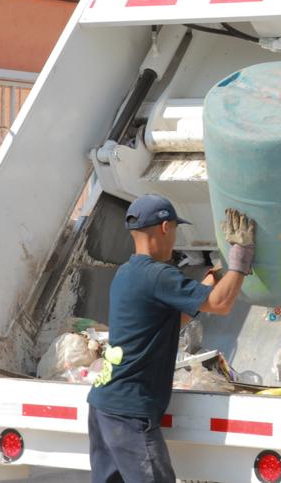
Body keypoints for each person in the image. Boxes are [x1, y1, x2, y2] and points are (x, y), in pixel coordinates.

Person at [86, 194, 254, 483]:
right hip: (129, 413)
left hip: (103, 405)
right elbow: (222, 304)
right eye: (175, 229)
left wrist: (201, 292)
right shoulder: (158, 275)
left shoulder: (127, 274)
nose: (175, 236)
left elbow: (165, 322)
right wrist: (241, 258)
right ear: (165, 227)